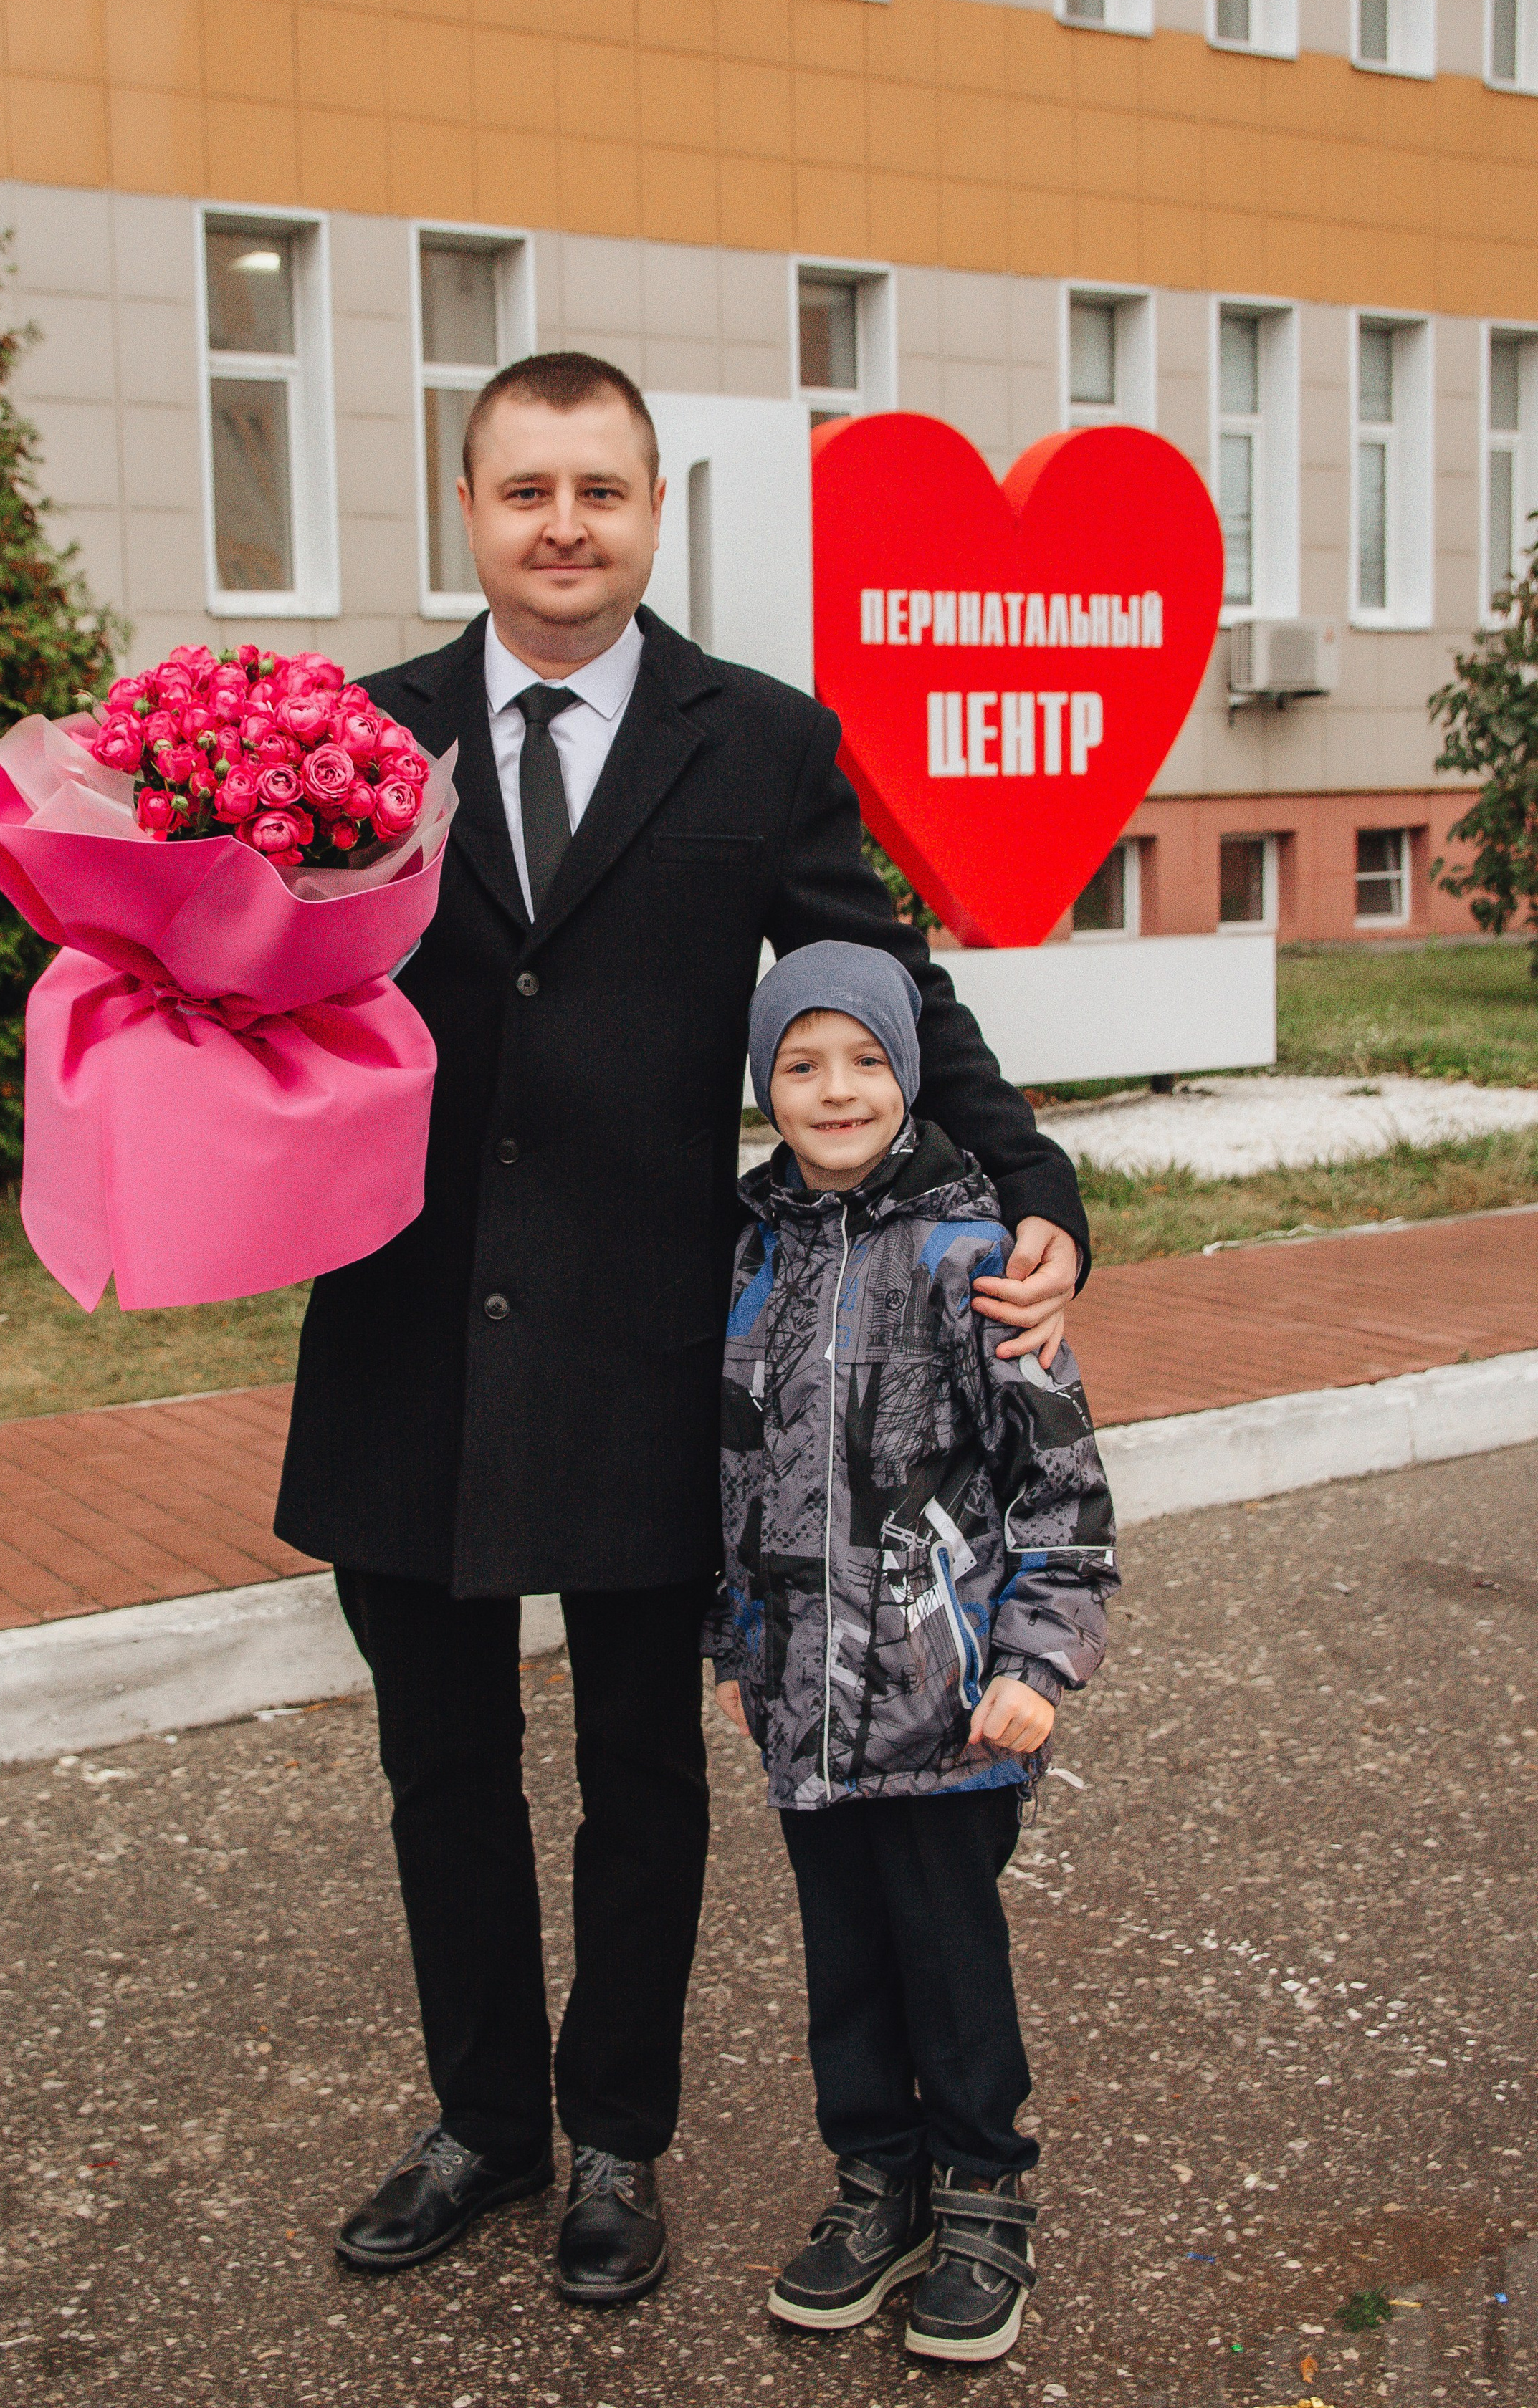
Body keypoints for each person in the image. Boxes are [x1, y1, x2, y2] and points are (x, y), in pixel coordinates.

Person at [274, 351, 1092, 2306]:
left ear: (654, 515)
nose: (566, 524)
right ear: (468, 509)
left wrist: (1034, 1181)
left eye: (603, 491)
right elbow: (263, 996)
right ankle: (484, 2120)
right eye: (528, 488)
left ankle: (614, 2139)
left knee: (643, 1764)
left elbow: (881, 981)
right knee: (439, 1762)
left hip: (657, 1354)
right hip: (406, 1335)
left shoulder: (761, 743)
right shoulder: (362, 740)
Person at [707, 941, 1117, 2362]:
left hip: (948, 1713)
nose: (834, 1090)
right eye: (801, 1063)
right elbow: (734, 1476)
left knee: (946, 1959)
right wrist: (737, 1647)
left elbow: (1058, 1491)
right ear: (765, 1084)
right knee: (845, 1965)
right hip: (802, 1709)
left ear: (909, 1074)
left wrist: (1034, 1666)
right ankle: (874, 2181)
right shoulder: (749, 1255)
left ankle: (982, 2192)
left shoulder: (973, 1257)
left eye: (865, 1060)